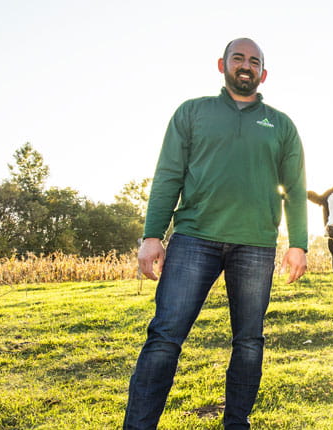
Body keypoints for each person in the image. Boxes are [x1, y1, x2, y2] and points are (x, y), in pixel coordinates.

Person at [124, 37, 308, 430]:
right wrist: (152, 234)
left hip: (256, 245)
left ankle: (236, 423)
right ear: (221, 65)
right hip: (193, 238)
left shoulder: (281, 125)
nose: (246, 65)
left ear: (264, 73)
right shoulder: (192, 113)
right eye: (237, 58)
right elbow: (168, 175)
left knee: (248, 342)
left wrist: (297, 244)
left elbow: (294, 186)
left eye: (254, 61)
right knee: (165, 336)